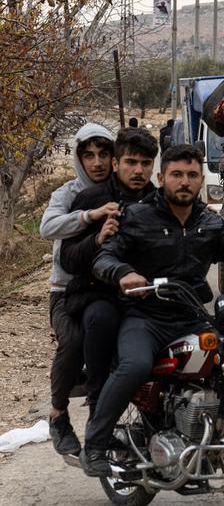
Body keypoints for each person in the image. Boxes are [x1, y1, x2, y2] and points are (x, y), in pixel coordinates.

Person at [79, 144, 224, 477]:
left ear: (201, 180)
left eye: (192, 175)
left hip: (191, 316)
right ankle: (95, 444)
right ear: (162, 178)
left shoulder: (210, 222)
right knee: (135, 366)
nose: (185, 182)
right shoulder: (136, 216)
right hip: (146, 318)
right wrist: (124, 274)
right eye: (177, 174)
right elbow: (103, 258)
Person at [59, 127, 158, 421]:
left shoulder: (159, 200)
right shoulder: (92, 199)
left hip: (147, 293)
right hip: (97, 291)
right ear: (117, 163)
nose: (138, 170)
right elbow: (68, 259)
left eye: (145, 163)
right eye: (131, 162)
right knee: (101, 317)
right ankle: (97, 403)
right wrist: (97, 240)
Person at [40, 123, 115, 455]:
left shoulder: (121, 189)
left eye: (104, 154)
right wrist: (90, 215)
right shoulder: (68, 194)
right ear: (78, 159)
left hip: (108, 289)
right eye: (89, 155)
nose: (97, 162)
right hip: (66, 291)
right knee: (71, 341)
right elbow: (48, 226)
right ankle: (58, 416)